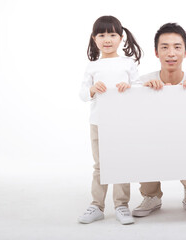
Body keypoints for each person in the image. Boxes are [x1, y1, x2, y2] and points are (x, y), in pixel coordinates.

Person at [131, 23, 186, 217]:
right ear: (156, 52)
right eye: (164, 47)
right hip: (155, 143)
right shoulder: (142, 82)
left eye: (177, 47)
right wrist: (142, 93)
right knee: (140, 147)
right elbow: (130, 121)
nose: (171, 53)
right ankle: (152, 195)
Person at [78, 15, 142, 225]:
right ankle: (97, 205)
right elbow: (82, 94)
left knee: (121, 162)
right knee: (100, 166)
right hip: (98, 122)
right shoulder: (92, 66)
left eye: (112, 34)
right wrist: (92, 89)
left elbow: (140, 89)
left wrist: (129, 88)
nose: (107, 39)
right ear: (94, 38)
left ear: (121, 37)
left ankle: (121, 205)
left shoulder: (128, 63)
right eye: (102, 35)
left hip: (123, 123)